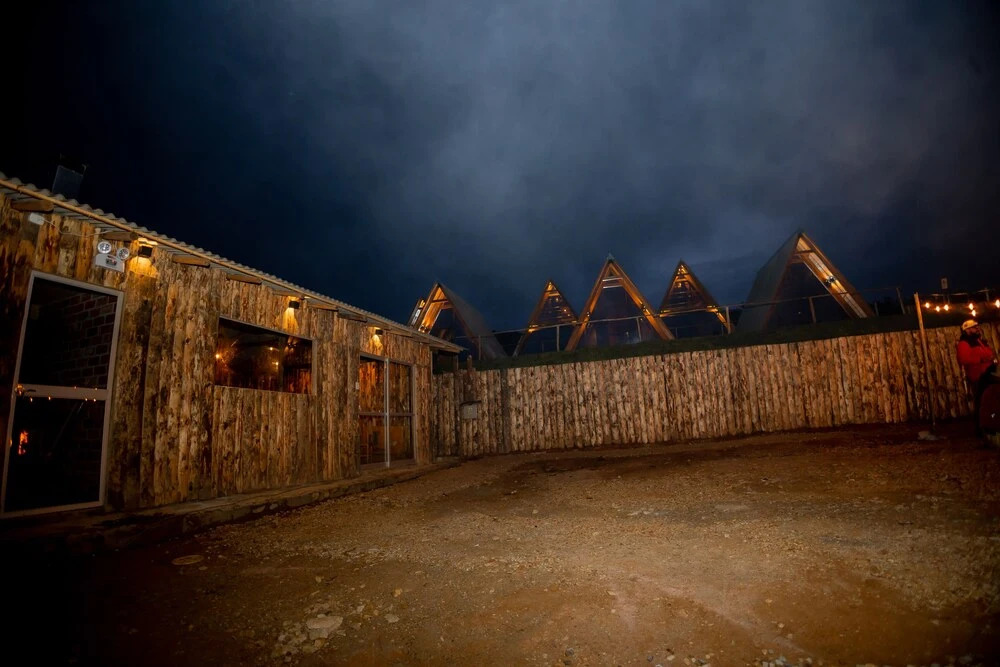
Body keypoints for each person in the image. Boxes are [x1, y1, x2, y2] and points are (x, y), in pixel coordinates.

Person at [956, 319, 999, 435]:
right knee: (981, 402)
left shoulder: (979, 341)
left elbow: (988, 353)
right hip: (978, 376)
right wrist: (981, 360)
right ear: (967, 330)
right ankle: (981, 428)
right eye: (974, 327)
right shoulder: (964, 344)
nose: (977, 329)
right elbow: (963, 359)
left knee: (991, 402)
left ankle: (991, 425)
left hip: (988, 374)